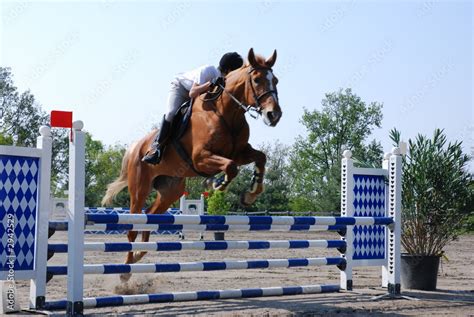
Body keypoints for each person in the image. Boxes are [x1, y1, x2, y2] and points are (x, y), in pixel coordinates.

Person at [142, 52, 244, 165]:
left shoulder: (225, 81)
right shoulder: (209, 70)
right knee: (171, 113)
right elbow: (192, 93)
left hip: (198, 95)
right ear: (229, 69)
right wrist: (210, 84)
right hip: (181, 89)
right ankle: (156, 148)